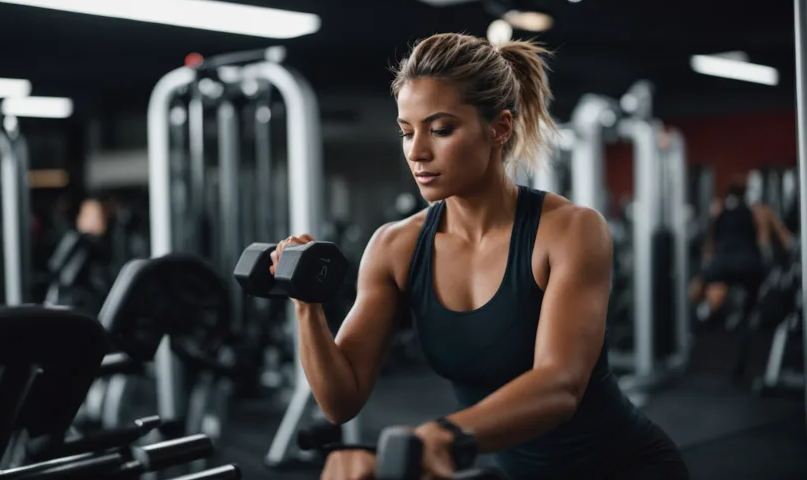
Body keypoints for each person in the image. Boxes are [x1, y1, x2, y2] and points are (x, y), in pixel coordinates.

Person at [271, 33, 688, 480]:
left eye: (440, 130)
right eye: (407, 132)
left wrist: (442, 436)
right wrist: (306, 304)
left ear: (499, 128)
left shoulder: (569, 230)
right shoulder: (395, 246)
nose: (417, 152)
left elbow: (561, 385)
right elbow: (340, 401)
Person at [687, 175, 794, 374]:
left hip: (724, 264)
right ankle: (742, 351)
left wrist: (706, 271)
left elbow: (710, 245)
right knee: (748, 312)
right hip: (749, 267)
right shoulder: (759, 211)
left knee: (700, 290)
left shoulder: (720, 211)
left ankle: (697, 325)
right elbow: (770, 241)